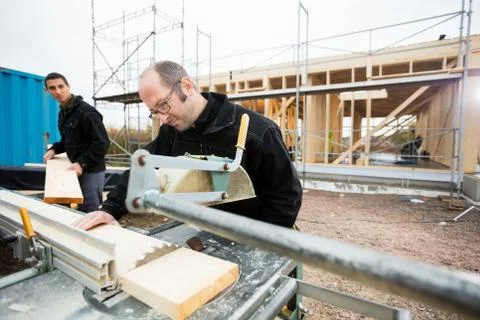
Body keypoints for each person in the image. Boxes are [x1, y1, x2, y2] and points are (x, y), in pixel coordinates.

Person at [73, 60, 302, 230]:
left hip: (262, 232)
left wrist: (263, 245)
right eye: (154, 112)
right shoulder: (171, 133)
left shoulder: (256, 131)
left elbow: (286, 198)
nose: (162, 118)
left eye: (164, 105)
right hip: (210, 229)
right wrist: (109, 208)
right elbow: (142, 169)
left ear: (187, 86)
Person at [43, 72, 110, 213]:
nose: (58, 91)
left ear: (68, 86)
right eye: (52, 88)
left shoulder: (86, 112)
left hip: (91, 170)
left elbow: (102, 143)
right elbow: (67, 140)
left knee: (90, 211)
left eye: (61, 86)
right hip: (74, 167)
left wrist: (81, 163)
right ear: (47, 91)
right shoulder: (64, 112)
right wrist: (54, 149)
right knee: (73, 210)